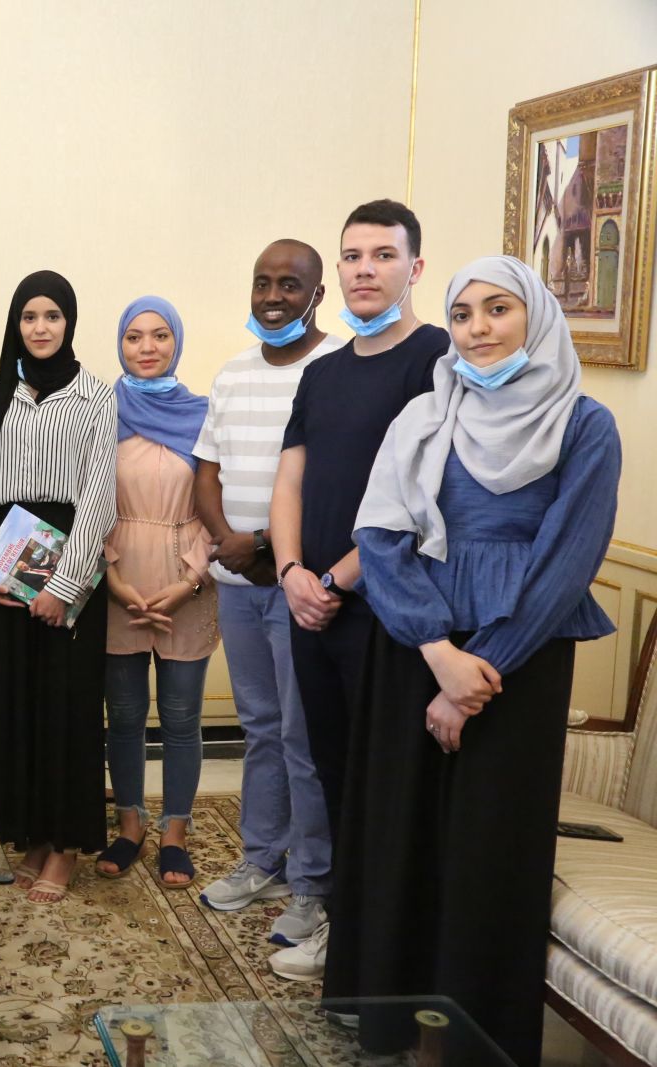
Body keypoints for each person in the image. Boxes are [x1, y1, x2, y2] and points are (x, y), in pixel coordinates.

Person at [326, 256, 619, 1067]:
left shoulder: (585, 425)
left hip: (515, 668)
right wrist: (436, 652)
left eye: (498, 309)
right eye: (462, 314)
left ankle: (467, 1044)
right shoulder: (424, 415)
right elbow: (380, 537)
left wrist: (472, 675)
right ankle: (389, 1023)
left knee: (488, 852)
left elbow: (567, 562)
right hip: (411, 649)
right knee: (402, 836)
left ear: (536, 318)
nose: (479, 329)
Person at [267, 200, 447, 981]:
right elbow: (290, 480)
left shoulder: (436, 359)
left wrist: (335, 578)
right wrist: (291, 574)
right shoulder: (322, 372)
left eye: (383, 254)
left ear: (415, 267)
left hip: (388, 608)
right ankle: (345, 929)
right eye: (352, 256)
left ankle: (387, 948)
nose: (364, 269)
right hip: (312, 608)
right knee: (334, 769)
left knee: (386, 783)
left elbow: (421, 494)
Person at [193, 241, 343, 946]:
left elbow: (337, 485)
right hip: (238, 586)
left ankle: (312, 883)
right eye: (262, 282)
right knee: (258, 728)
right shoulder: (231, 374)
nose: (273, 296)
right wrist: (228, 539)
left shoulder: (336, 369)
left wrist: (266, 548)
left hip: (302, 584)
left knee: (301, 734)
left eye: (289, 284)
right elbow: (206, 470)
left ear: (318, 294)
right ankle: (262, 859)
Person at [0, 270, 115, 904]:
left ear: (69, 323)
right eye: (30, 317)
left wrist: (66, 585)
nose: (41, 328)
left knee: (65, 709)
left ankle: (65, 845)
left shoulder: (96, 396)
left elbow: (100, 495)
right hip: (5, 563)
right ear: (15, 324)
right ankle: (28, 834)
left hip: (67, 562)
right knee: (14, 707)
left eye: (53, 316)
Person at [94, 296, 216, 889]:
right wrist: (112, 579)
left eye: (160, 335)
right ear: (120, 344)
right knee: (122, 714)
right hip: (116, 578)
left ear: (177, 342)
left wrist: (190, 580)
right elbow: (86, 500)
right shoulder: (100, 413)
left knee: (182, 716)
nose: (147, 347)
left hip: (187, 580)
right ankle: (130, 823)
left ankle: (174, 833)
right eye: (134, 336)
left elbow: (220, 506)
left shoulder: (205, 415)